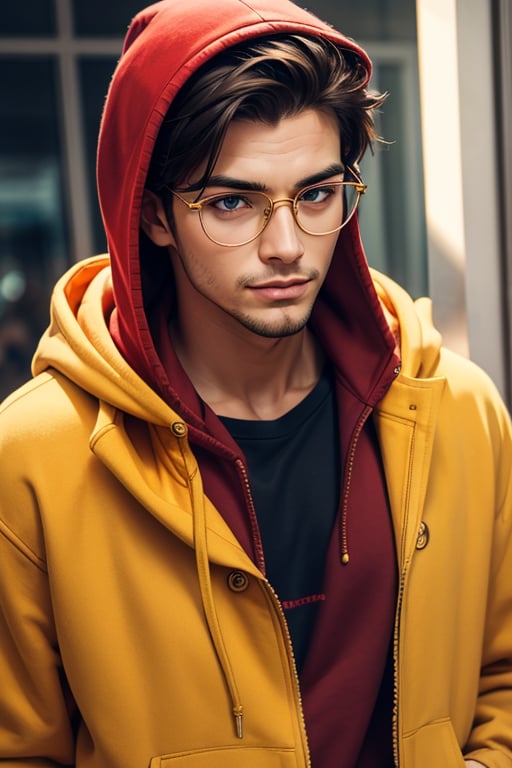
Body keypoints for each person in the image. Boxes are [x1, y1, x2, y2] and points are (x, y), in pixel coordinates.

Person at [0, 0, 511, 765]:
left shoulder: (459, 412)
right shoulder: (33, 457)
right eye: (231, 202)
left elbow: (501, 675)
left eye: (315, 195)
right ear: (153, 217)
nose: (286, 246)